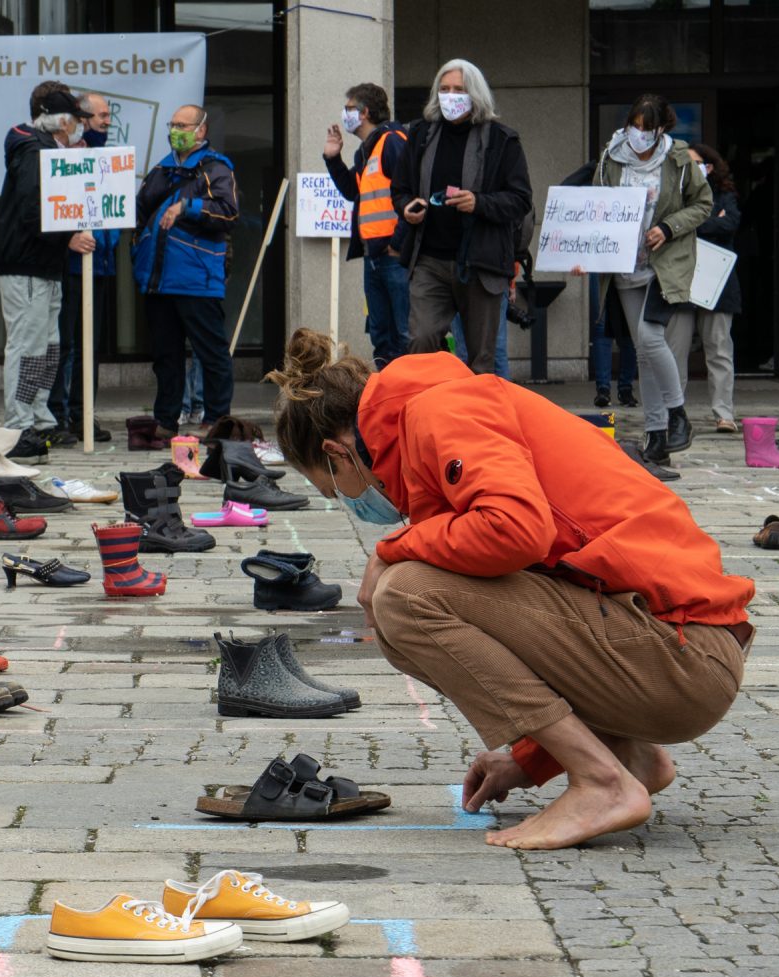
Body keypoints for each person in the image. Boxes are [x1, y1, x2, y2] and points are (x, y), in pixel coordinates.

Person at [268, 328, 753, 850]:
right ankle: (627, 756)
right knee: (410, 599)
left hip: (684, 656)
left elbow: (516, 528)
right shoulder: (427, 421)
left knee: (405, 596)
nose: (355, 503)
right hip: (673, 654)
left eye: (336, 489)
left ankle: (602, 783)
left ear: (337, 453)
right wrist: (531, 758)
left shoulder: (439, 411)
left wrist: (391, 551)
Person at [592, 94, 711, 471]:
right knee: (643, 353)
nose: (639, 135)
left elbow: (702, 204)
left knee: (648, 336)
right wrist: (582, 252)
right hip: (625, 265)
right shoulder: (611, 158)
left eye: (647, 128)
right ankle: (657, 437)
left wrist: (667, 227)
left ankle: (679, 416)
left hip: (665, 264)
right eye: (634, 126)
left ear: (662, 129)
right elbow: (596, 208)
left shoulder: (678, 160)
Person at [393, 59, 531, 373]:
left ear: (475, 95)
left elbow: (520, 199)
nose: (450, 96)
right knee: (420, 343)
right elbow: (400, 188)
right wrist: (407, 209)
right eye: (444, 89)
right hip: (428, 259)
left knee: (482, 359)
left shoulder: (501, 140)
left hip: (480, 263)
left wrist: (478, 203)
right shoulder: (420, 134)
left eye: (458, 89)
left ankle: (480, 420)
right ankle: (425, 415)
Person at [133, 103, 240, 438]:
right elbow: (137, 212)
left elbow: (229, 211)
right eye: (173, 124)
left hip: (197, 278)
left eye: (183, 124)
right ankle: (166, 421)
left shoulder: (216, 169)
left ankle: (217, 420)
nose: (176, 130)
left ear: (201, 130)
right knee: (165, 356)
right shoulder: (160, 171)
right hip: (158, 281)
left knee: (212, 353)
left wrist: (188, 207)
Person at [0, 90, 92, 440]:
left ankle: (38, 415)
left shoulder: (44, 150)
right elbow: (32, 208)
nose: (80, 127)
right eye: (77, 120)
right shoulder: (34, 152)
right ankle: (18, 424)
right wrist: (67, 237)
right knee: (28, 344)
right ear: (61, 121)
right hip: (27, 262)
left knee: (48, 345)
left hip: (43, 262)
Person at [46, 91, 121, 444]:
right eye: (102, 115)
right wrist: (67, 240)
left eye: (108, 116)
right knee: (66, 345)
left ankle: (82, 415)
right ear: (84, 118)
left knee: (89, 347)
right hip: (72, 266)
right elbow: (50, 209)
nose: (107, 121)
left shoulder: (108, 157)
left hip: (101, 263)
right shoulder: (67, 158)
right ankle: (58, 417)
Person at [324, 82, 411, 367]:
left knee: (404, 335)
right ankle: (387, 397)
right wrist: (333, 158)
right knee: (381, 335)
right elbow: (353, 191)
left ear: (365, 112)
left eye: (349, 108)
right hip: (375, 256)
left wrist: (398, 244)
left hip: (394, 255)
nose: (344, 114)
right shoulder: (366, 150)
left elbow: (412, 193)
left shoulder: (393, 141)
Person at [666, 144, 741, 433]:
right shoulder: (672, 196)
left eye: (695, 163)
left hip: (717, 284)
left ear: (709, 168)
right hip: (681, 282)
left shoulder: (725, 195)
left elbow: (730, 224)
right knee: (675, 351)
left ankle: (724, 414)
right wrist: (709, 221)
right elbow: (665, 226)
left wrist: (686, 224)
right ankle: (675, 414)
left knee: (719, 350)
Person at [590, 273, 638, 408]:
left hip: (622, 267)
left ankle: (617, 389)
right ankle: (609, 389)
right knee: (602, 327)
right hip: (606, 264)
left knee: (627, 330)